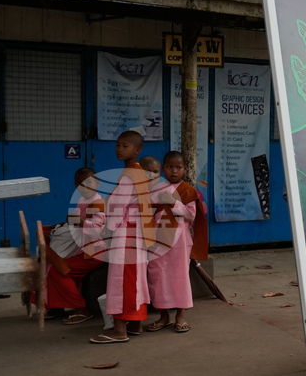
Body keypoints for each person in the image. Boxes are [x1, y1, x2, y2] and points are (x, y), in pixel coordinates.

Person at [91, 130, 155, 344]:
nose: (119, 149)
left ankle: (119, 329)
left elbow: (118, 206)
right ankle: (135, 323)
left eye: (125, 146)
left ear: (137, 150)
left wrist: (108, 228)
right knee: (135, 279)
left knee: (121, 280)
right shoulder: (139, 172)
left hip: (126, 233)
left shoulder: (129, 174)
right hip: (138, 233)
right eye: (118, 145)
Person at [144, 151, 208, 334]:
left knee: (179, 276)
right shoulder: (154, 189)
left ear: (184, 170)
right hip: (157, 239)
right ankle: (164, 316)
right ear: (163, 169)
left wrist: (173, 203)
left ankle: (180, 316)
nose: (174, 171)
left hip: (180, 241)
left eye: (178, 167)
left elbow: (191, 215)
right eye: (170, 167)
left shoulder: (188, 190)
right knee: (157, 276)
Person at [43, 168, 107, 324]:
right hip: (83, 248)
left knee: (60, 271)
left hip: (97, 251)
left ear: (97, 183)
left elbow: (99, 229)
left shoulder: (98, 202)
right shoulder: (82, 201)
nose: (83, 187)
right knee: (49, 265)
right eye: (79, 184)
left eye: (88, 183)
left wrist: (79, 221)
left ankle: (81, 308)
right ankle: (56, 306)